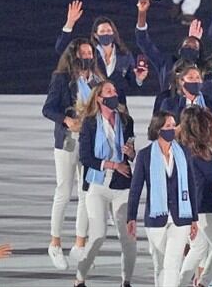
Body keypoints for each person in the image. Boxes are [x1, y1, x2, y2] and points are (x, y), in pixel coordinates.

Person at [42, 38, 99, 270]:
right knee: (64, 192)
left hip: (88, 142)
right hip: (67, 141)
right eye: (83, 52)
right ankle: (55, 243)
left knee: (86, 193)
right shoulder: (62, 78)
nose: (87, 56)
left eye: (90, 52)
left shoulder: (96, 79)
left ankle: (79, 244)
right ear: (74, 55)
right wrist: (66, 120)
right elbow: (48, 108)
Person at [75, 81, 137, 287]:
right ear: (99, 98)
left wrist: (131, 153)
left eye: (115, 91)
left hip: (122, 186)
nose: (114, 94)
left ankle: (126, 281)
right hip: (98, 184)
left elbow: (131, 151)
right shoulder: (90, 123)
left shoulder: (126, 121)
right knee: (98, 235)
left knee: (128, 237)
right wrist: (112, 164)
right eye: (109, 92)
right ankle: (80, 278)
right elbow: (85, 157)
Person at [127, 112, 199, 287]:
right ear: (158, 129)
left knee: (172, 264)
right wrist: (131, 217)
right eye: (167, 126)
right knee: (160, 265)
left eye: (173, 125)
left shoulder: (183, 152)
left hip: (181, 217)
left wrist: (194, 218)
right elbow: (135, 189)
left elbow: (191, 185)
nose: (172, 129)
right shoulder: (145, 155)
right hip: (155, 218)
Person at [177, 106, 212, 287]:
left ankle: (185, 283)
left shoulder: (188, 149)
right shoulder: (199, 153)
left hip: (196, 205)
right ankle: (202, 283)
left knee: (199, 248)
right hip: (202, 206)